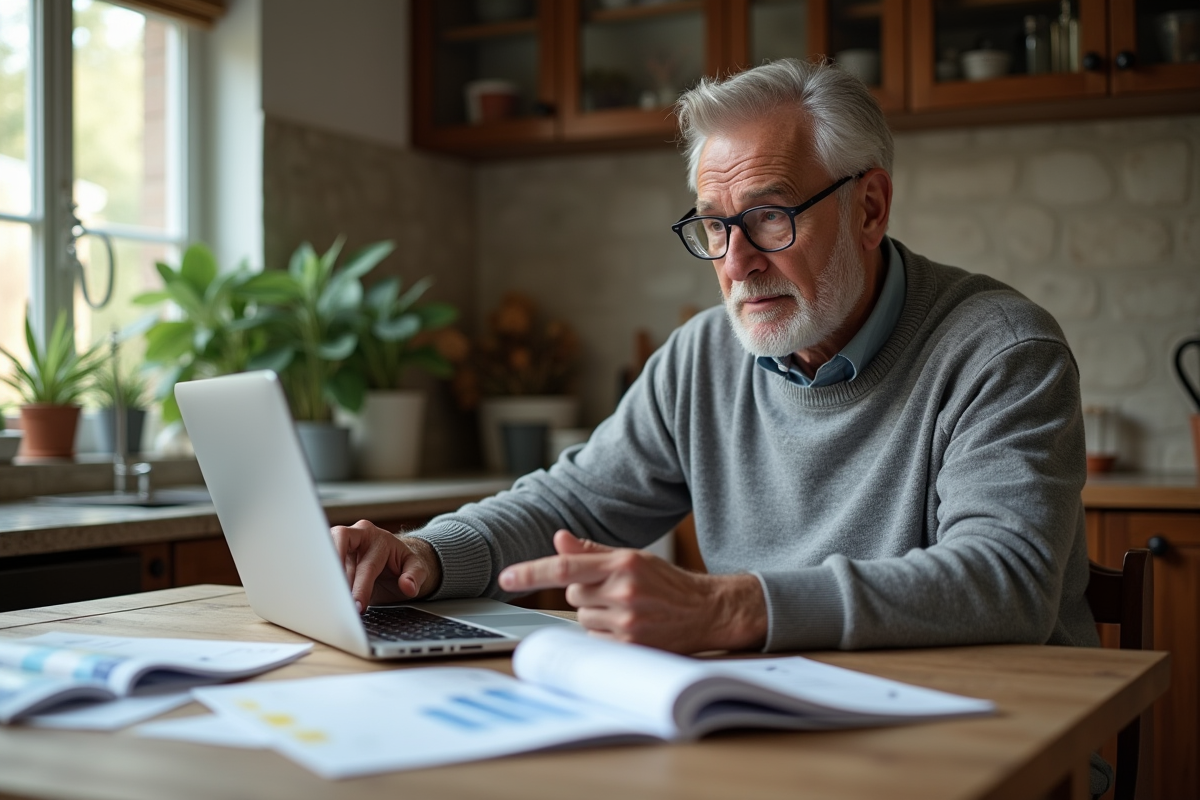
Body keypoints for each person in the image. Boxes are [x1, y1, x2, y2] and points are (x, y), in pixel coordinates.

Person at [333, 58, 1099, 659]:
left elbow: (1007, 580)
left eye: (769, 218)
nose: (735, 263)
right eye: (713, 227)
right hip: (778, 721)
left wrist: (725, 607)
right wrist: (425, 555)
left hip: (996, 733)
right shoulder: (702, 356)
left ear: (869, 207)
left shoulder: (1001, 350)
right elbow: (571, 502)